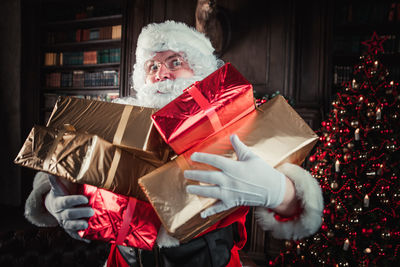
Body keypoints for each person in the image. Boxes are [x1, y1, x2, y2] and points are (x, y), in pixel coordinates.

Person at [24, 21, 324, 267]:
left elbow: (300, 207)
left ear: (200, 71)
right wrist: (51, 203)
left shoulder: (237, 121)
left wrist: (276, 189)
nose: (161, 74)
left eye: (175, 62)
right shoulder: (118, 117)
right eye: (152, 67)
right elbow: (59, 167)